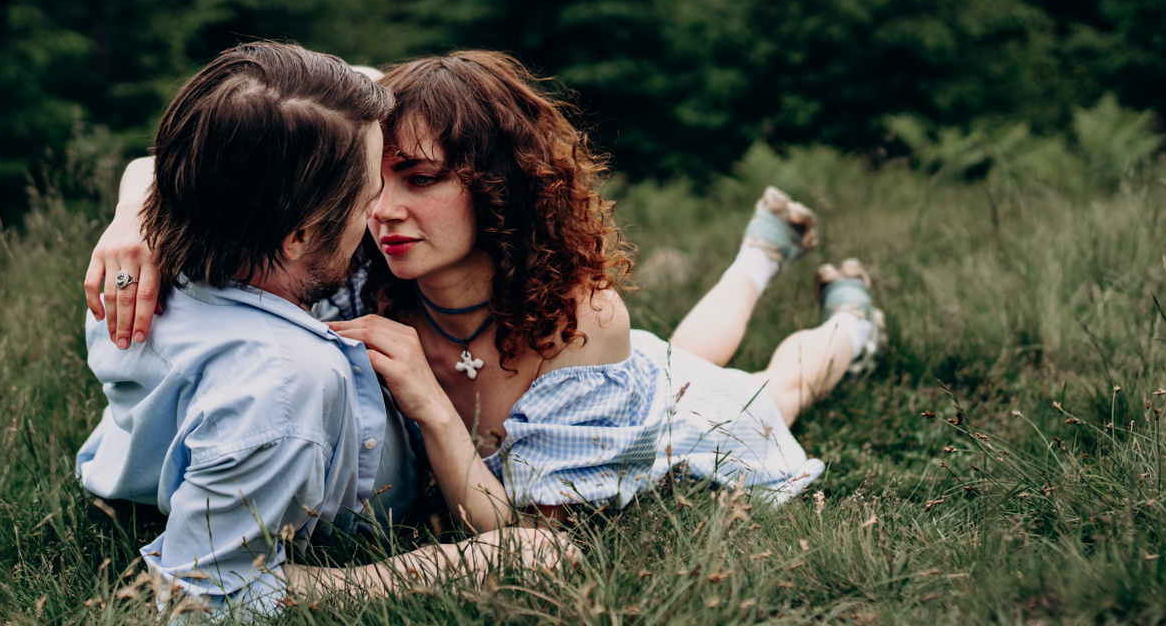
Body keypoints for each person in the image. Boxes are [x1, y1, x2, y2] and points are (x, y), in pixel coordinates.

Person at [85, 50, 885, 532]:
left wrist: (433, 408)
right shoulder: (357, 251)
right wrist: (133, 218)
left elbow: (527, 533)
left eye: (421, 179)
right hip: (617, 367)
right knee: (686, 350)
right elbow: (227, 140)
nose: (382, 209)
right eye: (376, 179)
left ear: (499, 186)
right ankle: (762, 251)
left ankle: (850, 323)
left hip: (649, 419)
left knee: (767, 390)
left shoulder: (581, 320)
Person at [74, 43, 576, 621]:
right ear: (299, 236)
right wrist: (435, 567)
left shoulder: (139, 275)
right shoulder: (281, 384)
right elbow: (200, 596)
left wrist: (136, 210)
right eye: (366, 199)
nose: (379, 214)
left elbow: (264, 115)